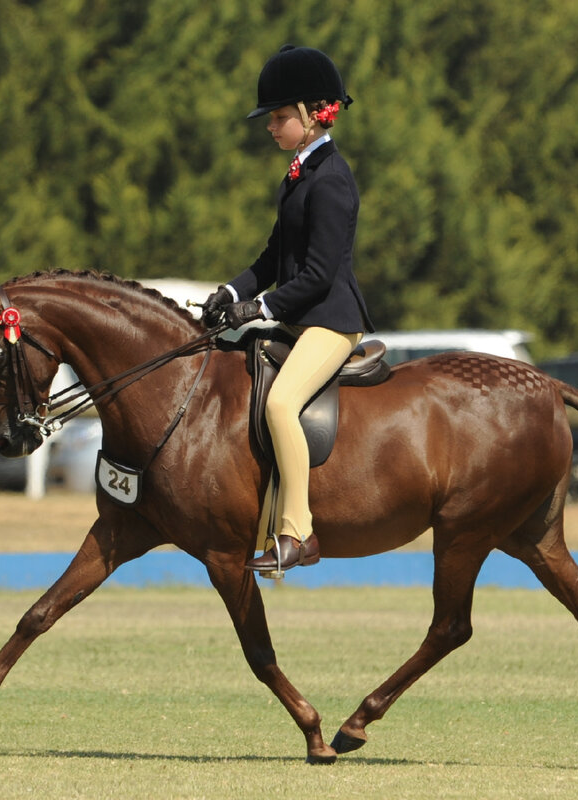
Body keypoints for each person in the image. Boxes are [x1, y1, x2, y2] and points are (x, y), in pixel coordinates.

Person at [201, 44, 374, 574]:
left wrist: (260, 306)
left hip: (331, 322)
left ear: (309, 114)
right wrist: (230, 294)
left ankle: (298, 533)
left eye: (278, 117)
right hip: (299, 319)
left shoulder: (332, 179)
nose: (271, 127)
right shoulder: (298, 176)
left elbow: (319, 274)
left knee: (280, 404)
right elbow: (273, 257)